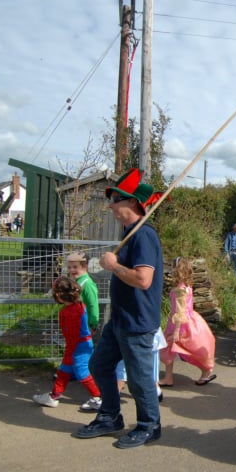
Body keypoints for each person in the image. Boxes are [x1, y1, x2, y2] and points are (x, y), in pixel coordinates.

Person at [74, 168, 164, 449]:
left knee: (138, 379)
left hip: (137, 321)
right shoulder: (129, 232)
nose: (110, 204)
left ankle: (150, 425)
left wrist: (113, 266)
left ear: (132, 203)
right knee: (99, 365)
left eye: (115, 198)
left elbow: (143, 279)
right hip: (120, 320)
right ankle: (110, 416)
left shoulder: (143, 236)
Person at [33, 276, 101, 409]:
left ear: (59, 295)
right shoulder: (80, 306)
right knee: (64, 370)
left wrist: (71, 349)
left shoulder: (68, 312)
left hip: (76, 346)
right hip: (80, 344)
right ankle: (54, 395)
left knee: (82, 372)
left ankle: (97, 397)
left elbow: (72, 334)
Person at [159, 257, 217, 386]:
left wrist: (176, 330)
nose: (171, 269)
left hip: (180, 323)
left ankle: (204, 370)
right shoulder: (187, 286)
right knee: (175, 349)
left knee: (176, 349)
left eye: (173, 267)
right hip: (189, 321)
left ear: (178, 270)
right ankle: (170, 377)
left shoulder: (180, 289)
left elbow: (180, 311)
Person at [113, 326, 166, 403]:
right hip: (138, 333)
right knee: (124, 362)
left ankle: (155, 388)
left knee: (149, 363)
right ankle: (117, 388)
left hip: (145, 333)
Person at [66, 251, 99, 341]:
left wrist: (93, 325)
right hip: (77, 323)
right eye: (69, 267)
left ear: (85, 266)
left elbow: (93, 305)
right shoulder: (78, 281)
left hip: (85, 325)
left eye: (75, 267)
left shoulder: (87, 283)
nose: (72, 270)